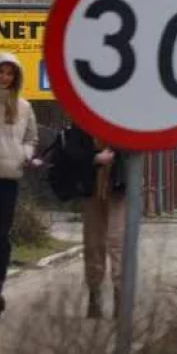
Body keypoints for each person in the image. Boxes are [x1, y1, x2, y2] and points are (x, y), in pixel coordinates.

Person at [61, 126, 129, 318]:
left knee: (117, 241)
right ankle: (94, 294)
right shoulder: (82, 120)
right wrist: (94, 158)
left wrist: (116, 152)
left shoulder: (125, 118)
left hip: (118, 187)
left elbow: (135, 145)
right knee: (93, 243)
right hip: (91, 188)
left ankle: (120, 295)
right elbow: (72, 151)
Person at [0, 53, 37, 319]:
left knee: (0, 236)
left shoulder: (24, 107)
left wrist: (25, 154)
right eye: (0, 72)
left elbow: (32, 138)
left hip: (7, 178)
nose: (4, 77)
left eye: (10, 73)